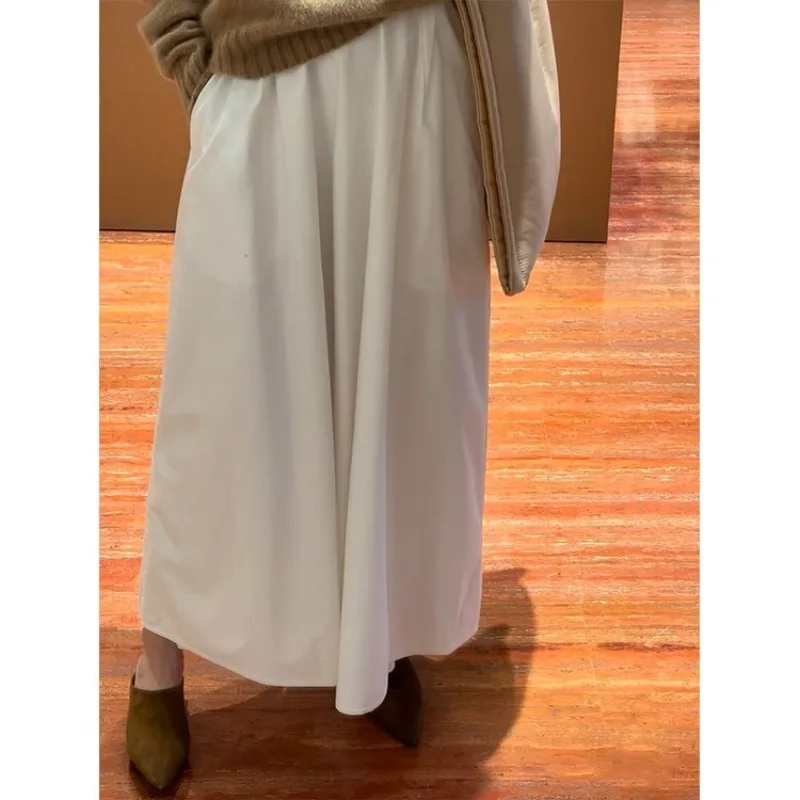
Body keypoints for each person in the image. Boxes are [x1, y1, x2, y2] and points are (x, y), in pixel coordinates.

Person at [125, 0, 560, 790]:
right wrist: (185, 46)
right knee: (222, 396)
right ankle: (159, 658)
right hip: (265, 72)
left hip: (417, 81)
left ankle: (374, 636)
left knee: (405, 394)